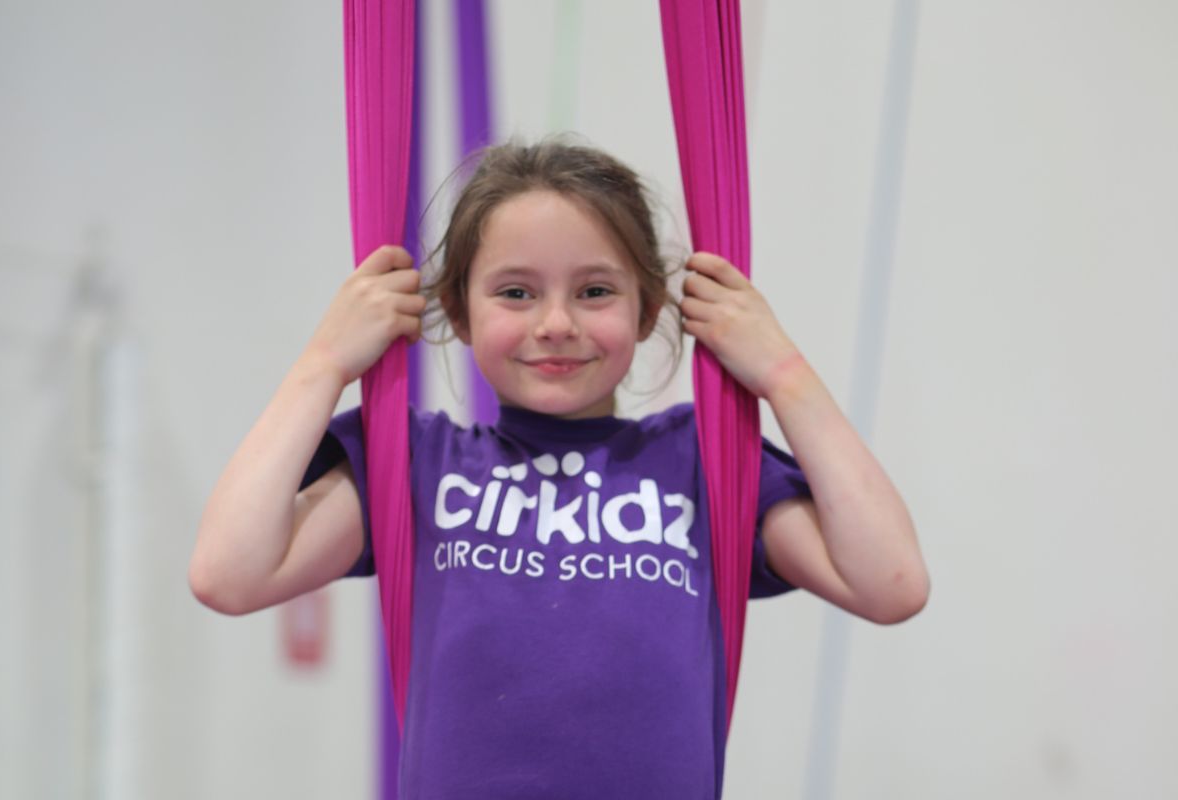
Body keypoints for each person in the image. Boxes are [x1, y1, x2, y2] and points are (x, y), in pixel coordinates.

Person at [189, 140, 928, 799]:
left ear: (645, 312)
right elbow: (229, 572)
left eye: (595, 291)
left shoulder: (700, 464)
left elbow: (889, 581)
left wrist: (786, 374)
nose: (556, 324)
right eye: (516, 292)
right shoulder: (419, 465)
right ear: (461, 309)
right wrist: (322, 365)